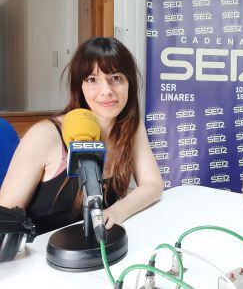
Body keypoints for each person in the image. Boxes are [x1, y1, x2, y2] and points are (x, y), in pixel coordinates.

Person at [0, 37, 164, 235]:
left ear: (130, 83)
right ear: (80, 86)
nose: (107, 91)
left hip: (96, 247)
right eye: (92, 80)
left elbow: (153, 184)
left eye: (116, 78)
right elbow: (5, 219)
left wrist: (116, 212)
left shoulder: (130, 128)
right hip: (40, 256)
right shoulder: (46, 135)